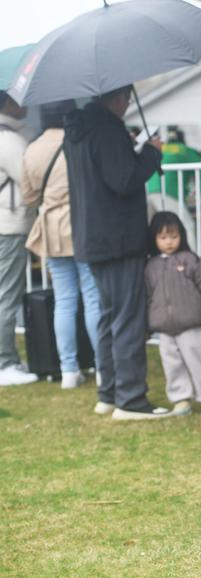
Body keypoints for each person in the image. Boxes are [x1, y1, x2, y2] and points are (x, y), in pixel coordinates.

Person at [64, 86, 168, 420]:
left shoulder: (79, 129)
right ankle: (131, 399)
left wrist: (134, 148)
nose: (127, 105)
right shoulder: (107, 130)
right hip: (119, 239)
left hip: (93, 239)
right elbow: (123, 179)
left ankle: (108, 393)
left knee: (110, 319)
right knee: (126, 320)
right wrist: (151, 153)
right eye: (125, 98)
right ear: (117, 97)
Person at [22, 100, 102, 389]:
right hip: (82, 224)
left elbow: (29, 197)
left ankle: (69, 369)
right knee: (93, 296)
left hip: (51, 229)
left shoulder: (32, 149)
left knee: (64, 300)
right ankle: (102, 366)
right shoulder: (80, 140)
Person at [145, 212, 201, 415]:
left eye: (173, 236)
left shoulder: (191, 261)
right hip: (164, 327)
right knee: (172, 364)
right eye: (163, 238)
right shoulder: (150, 267)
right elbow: (146, 296)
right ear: (154, 239)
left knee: (198, 360)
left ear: (182, 236)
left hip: (191, 324)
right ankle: (180, 399)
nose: (169, 242)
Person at [0, 91, 36, 386]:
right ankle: (5, 363)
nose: (24, 103)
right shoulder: (9, 140)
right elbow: (29, 181)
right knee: (6, 295)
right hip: (9, 225)